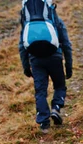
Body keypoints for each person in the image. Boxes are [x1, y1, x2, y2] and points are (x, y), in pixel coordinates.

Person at [19, 2, 73, 132]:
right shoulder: (56, 20)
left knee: (40, 91)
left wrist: (26, 67)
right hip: (55, 57)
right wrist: (69, 66)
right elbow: (66, 43)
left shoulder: (27, 22)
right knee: (59, 85)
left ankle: (44, 122)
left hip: (35, 59)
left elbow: (22, 46)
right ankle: (56, 107)